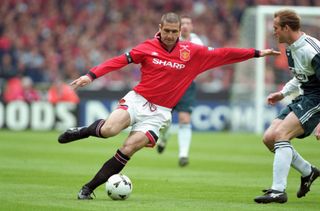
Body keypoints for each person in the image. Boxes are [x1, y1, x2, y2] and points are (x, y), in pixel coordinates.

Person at [57, 12, 279, 200]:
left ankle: (88, 188)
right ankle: (83, 131)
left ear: (180, 30)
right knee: (108, 130)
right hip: (137, 100)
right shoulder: (147, 47)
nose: (171, 35)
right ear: (160, 28)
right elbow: (118, 61)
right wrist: (91, 75)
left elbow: (225, 54)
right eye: (167, 31)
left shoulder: (193, 52)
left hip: (159, 114)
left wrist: (258, 53)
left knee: (129, 148)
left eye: (175, 32)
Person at [254, 9, 320, 204]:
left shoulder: (312, 50)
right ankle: (308, 171)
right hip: (305, 95)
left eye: (276, 28)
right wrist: (283, 92)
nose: (273, 32)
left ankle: (278, 191)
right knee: (269, 139)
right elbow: (300, 76)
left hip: (316, 98)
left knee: (281, 135)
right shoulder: (291, 47)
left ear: (287, 28)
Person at [156, 15, 204, 167]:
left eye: (188, 23)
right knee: (164, 121)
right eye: (182, 23)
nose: (185, 26)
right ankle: (164, 138)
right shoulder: (166, 39)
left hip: (186, 85)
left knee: (184, 119)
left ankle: (183, 154)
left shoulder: (197, 42)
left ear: (192, 26)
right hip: (168, 85)